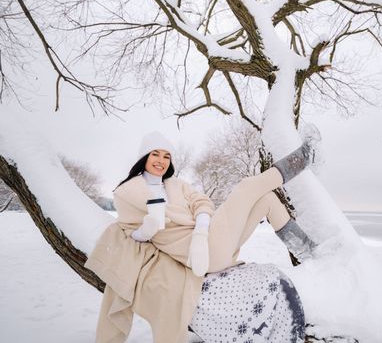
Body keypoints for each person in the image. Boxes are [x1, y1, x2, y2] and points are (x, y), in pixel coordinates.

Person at [85, 131, 318, 343]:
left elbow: (202, 202)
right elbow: (128, 233)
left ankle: (307, 252)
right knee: (247, 187)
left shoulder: (176, 184)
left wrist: (200, 230)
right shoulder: (127, 193)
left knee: (266, 198)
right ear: (143, 158)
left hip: (207, 240)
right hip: (203, 258)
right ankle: (306, 157)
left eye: (166, 156)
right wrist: (147, 229)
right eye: (155, 154)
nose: (161, 160)